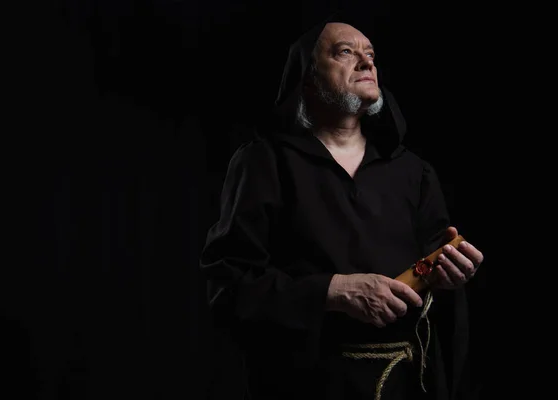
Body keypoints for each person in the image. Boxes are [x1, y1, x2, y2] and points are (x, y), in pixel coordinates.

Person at [200, 13, 484, 400]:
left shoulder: (413, 171)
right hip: (304, 386)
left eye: (370, 54)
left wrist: (450, 274)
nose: (366, 61)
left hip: (402, 385)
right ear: (308, 78)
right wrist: (332, 292)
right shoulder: (264, 163)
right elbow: (227, 287)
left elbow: (433, 278)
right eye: (345, 52)